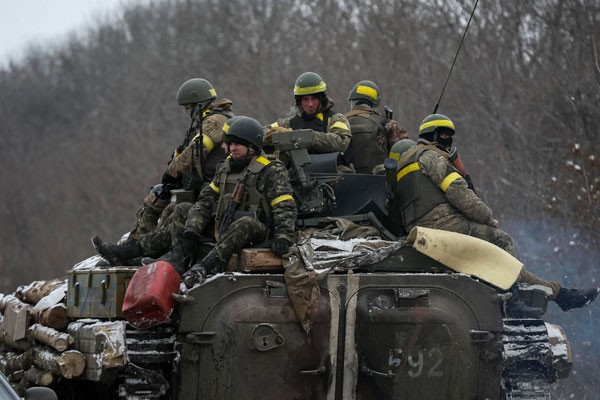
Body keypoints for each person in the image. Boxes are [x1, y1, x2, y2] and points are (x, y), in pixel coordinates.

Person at [391, 113, 600, 313]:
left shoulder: (404, 164)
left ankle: (559, 294)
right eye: (445, 135)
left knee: (508, 266)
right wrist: (487, 217)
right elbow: (459, 193)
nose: (448, 141)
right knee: (501, 241)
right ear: (434, 136)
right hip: (443, 224)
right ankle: (513, 302)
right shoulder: (432, 158)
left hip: (420, 228)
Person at [93, 117, 297, 284]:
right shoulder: (225, 167)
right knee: (182, 209)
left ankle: (207, 266)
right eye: (231, 143)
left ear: (252, 146)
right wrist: (191, 231)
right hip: (223, 224)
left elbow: (284, 206)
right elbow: (206, 200)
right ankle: (135, 252)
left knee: (245, 224)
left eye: (238, 144)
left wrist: (283, 236)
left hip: (256, 230)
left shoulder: (271, 169)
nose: (232, 148)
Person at [128, 78, 233, 240]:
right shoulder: (207, 119)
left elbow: (193, 153)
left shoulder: (214, 121)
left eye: (187, 107)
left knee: (166, 204)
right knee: (158, 196)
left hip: (211, 184)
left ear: (198, 104)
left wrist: (171, 173)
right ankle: (137, 243)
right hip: (201, 181)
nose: (186, 111)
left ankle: (141, 245)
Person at [263, 72, 351, 156]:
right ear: (299, 102)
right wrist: (275, 136)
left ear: (322, 99)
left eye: (314, 99)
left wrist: (300, 137)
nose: (310, 104)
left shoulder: (336, 119)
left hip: (331, 170)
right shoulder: (289, 123)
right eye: (305, 99)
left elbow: (341, 142)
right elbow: (259, 134)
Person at [343, 80, 409, 173]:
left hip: (342, 184)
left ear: (352, 101)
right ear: (375, 104)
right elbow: (406, 153)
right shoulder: (387, 124)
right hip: (380, 184)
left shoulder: (337, 122)